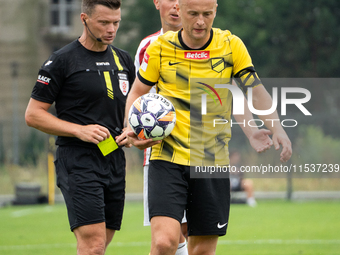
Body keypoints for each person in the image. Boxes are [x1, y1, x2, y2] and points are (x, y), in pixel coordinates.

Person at [119, 0, 292, 254]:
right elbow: (136, 93)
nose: (200, 21)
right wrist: (131, 128)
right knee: (165, 242)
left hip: (212, 160)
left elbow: (253, 90)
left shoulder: (231, 46)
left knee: (201, 250)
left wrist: (275, 128)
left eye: (207, 14)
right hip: (167, 158)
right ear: (180, 9)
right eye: (193, 14)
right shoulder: (159, 48)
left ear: (216, 10)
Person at [25, 1, 134, 254]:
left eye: (116, 22)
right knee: (93, 245)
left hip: (114, 158)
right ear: (84, 18)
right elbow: (33, 115)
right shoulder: (62, 60)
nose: (111, 29)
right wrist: (79, 130)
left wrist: (133, 132)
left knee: (100, 245)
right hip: (78, 160)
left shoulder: (124, 59)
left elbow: (131, 107)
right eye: (104, 23)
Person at [134, 1, 188, 254]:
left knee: (191, 235)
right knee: (167, 240)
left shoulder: (211, 45)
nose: (177, 5)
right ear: (157, 2)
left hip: (201, 150)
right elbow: (141, 100)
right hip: (162, 153)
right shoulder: (150, 46)